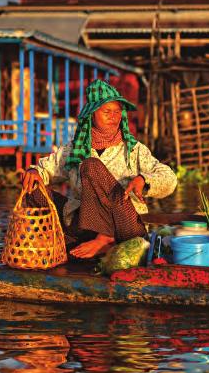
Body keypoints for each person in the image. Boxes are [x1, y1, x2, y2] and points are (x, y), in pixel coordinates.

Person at [22, 79, 177, 259]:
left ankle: (104, 240)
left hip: (125, 226)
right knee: (33, 189)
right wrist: (34, 172)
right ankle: (72, 239)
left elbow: (169, 177)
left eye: (118, 112)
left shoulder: (134, 150)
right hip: (86, 226)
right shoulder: (75, 148)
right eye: (107, 111)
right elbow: (46, 169)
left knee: (91, 166)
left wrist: (144, 180)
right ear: (92, 115)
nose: (114, 116)